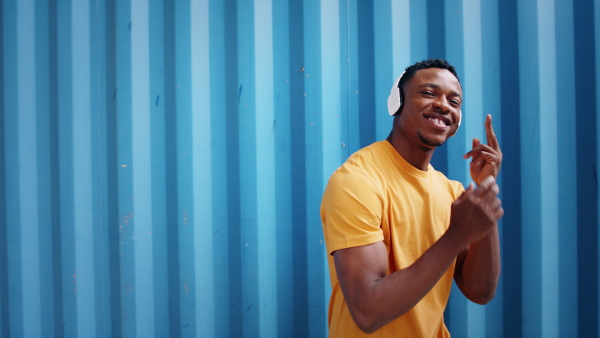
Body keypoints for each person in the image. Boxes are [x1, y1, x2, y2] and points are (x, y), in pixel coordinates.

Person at [320, 59, 503, 337]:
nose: (444, 105)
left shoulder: (452, 193)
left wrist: (485, 188)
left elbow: (480, 291)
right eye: (429, 93)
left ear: (456, 123)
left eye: (454, 102)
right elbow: (367, 312)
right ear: (397, 103)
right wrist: (455, 235)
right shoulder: (356, 181)